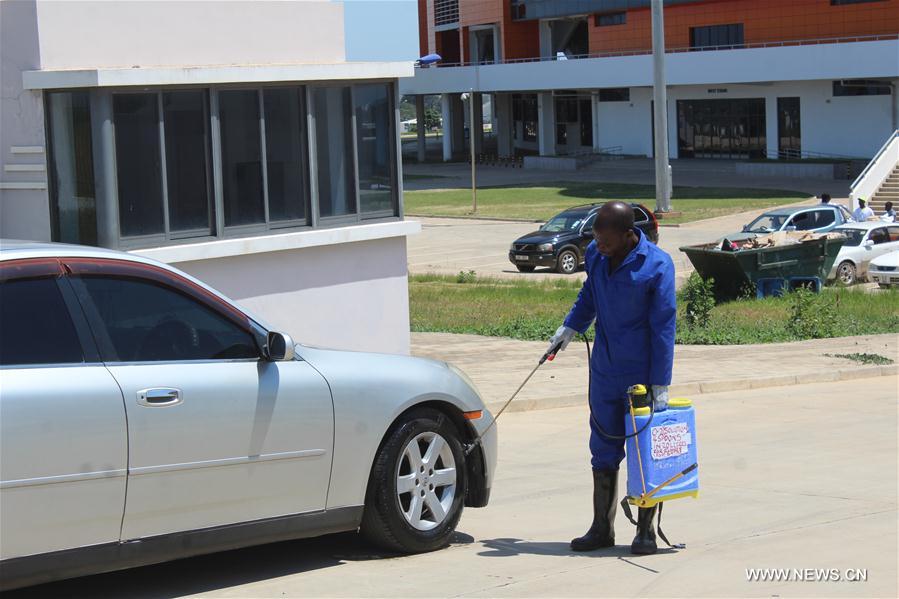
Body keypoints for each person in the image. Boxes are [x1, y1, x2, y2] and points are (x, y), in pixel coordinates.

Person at [547, 201, 676, 556]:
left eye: (605, 240)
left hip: (640, 375)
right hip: (604, 370)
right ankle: (601, 527)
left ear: (627, 234)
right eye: (596, 238)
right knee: (602, 448)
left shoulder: (657, 266)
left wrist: (660, 382)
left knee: (642, 453)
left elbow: (664, 326)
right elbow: (589, 294)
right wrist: (571, 326)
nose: (598, 245)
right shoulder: (597, 255)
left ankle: (645, 531)